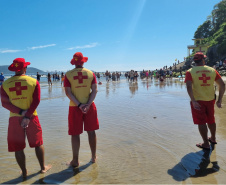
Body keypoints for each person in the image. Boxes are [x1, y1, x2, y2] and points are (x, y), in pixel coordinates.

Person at [0, 58, 51, 178]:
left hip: (14, 118)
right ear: (25, 68)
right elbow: (36, 100)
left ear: (13, 69)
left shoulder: (5, 84)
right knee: (38, 143)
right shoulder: (33, 81)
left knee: (18, 147)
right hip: (32, 116)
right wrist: (27, 115)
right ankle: (43, 168)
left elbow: (4, 103)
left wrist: (21, 112)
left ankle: (24, 172)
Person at [64, 52, 99, 167]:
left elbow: (68, 93)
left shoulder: (68, 74)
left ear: (74, 62)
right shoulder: (91, 73)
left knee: (75, 134)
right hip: (90, 106)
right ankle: (93, 157)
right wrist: (88, 104)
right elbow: (94, 90)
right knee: (91, 131)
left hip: (75, 107)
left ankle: (75, 161)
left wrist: (79, 105)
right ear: (83, 61)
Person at [185, 52, 225, 150]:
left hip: (198, 100)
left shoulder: (190, 71)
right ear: (203, 60)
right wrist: (219, 100)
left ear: (195, 61)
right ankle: (213, 138)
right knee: (211, 119)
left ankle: (206, 143)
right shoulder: (212, 70)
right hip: (210, 100)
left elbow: (189, 86)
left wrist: (193, 100)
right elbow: (222, 85)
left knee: (201, 122)